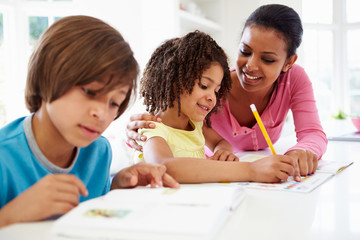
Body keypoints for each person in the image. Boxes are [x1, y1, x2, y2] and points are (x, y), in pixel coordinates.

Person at [0, 15, 179, 228]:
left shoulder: (100, 151)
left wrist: (117, 188)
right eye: (90, 92)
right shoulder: (4, 157)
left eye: (114, 103)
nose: (102, 114)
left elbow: (87, 219)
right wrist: (10, 215)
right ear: (47, 75)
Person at [126, 4, 327, 178]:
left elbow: (312, 133)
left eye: (267, 59)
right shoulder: (180, 113)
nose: (251, 66)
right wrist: (250, 171)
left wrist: (301, 151)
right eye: (245, 51)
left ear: (289, 62)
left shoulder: (294, 79)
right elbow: (164, 153)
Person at [134, 30, 299, 184]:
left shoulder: (195, 125)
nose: (212, 98)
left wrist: (223, 151)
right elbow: (165, 168)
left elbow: (221, 141)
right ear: (174, 81)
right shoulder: (152, 129)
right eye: (204, 86)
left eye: (216, 91)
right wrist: (250, 170)